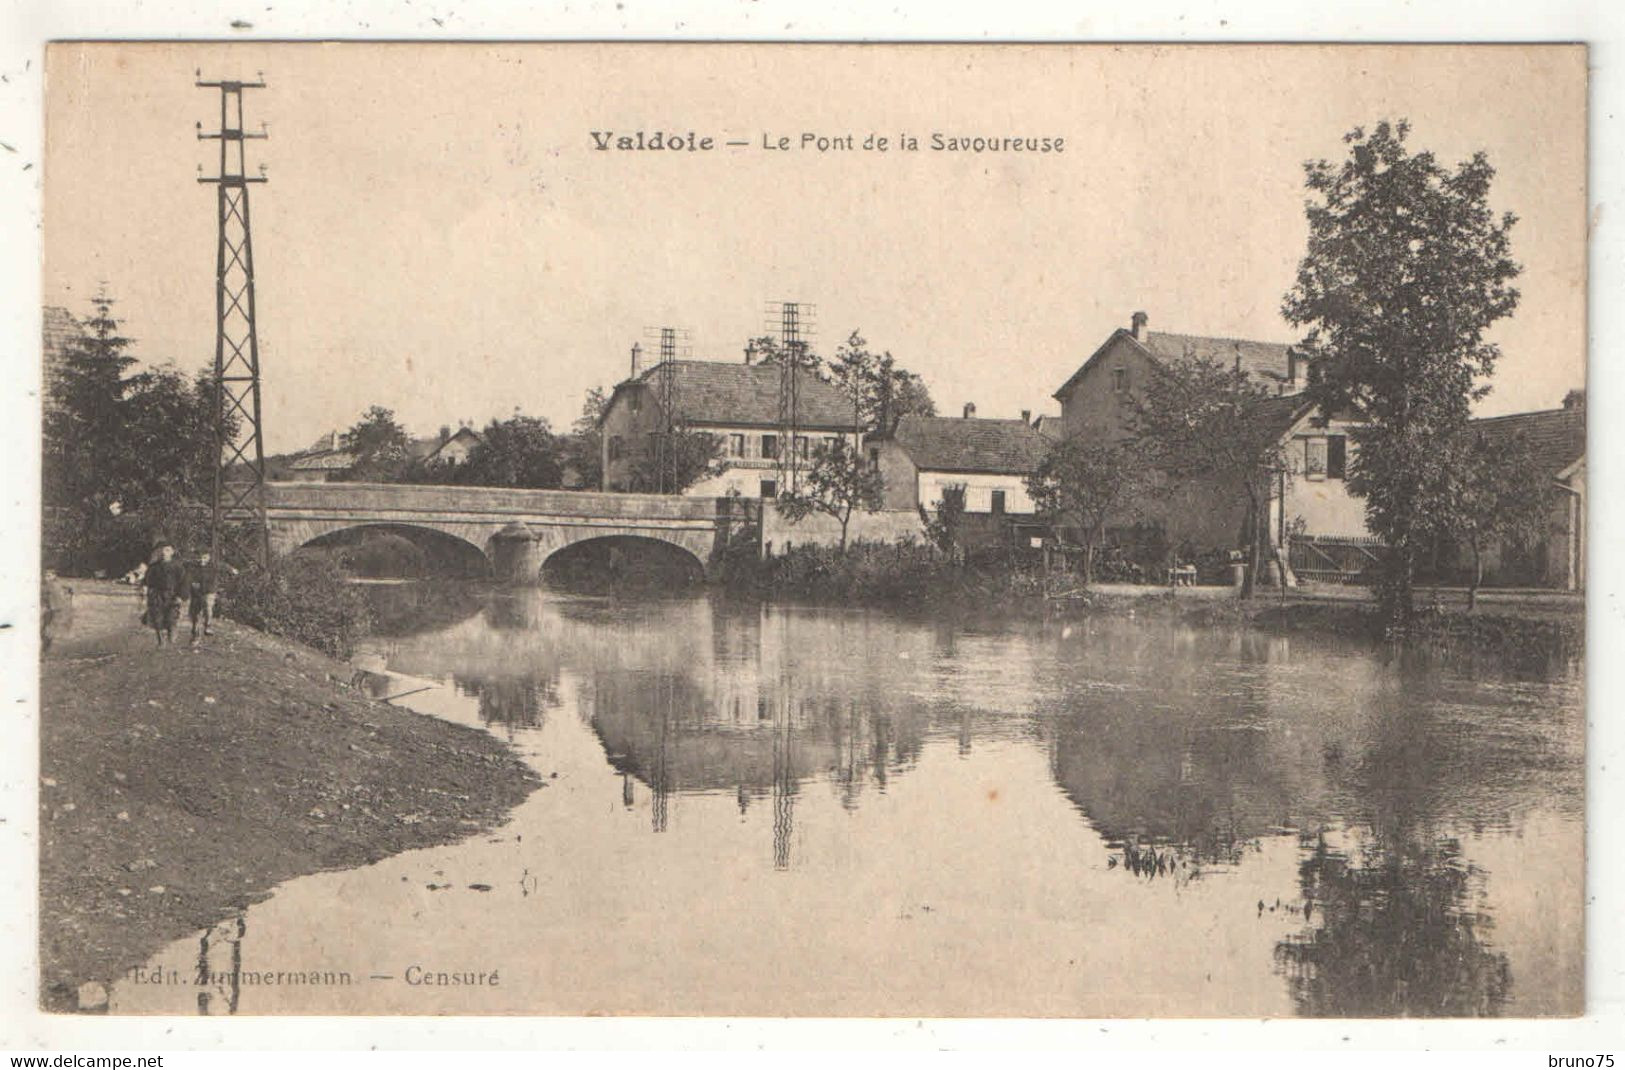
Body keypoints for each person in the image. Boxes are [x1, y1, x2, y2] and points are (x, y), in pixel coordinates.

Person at [141, 542, 185, 647]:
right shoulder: (154, 567)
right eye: (162, 550)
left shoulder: (178, 566)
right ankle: (161, 640)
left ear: (172, 552)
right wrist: (145, 591)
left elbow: (183, 582)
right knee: (157, 618)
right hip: (157, 595)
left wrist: (180, 596)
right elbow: (147, 581)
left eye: (167, 550)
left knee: (171, 617)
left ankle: (172, 633)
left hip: (172, 594)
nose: (164, 553)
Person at [185, 550, 233, 641]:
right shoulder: (193, 566)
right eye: (201, 557)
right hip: (196, 592)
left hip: (209, 591)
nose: (202, 559)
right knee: (195, 611)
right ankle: (195, 629)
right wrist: (192, 583)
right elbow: (188, 575)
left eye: (205, 557)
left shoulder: (213, 566)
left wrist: (232, 570)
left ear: (209, 557)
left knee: (207, 607)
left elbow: (224, 566)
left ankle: (208, 626)